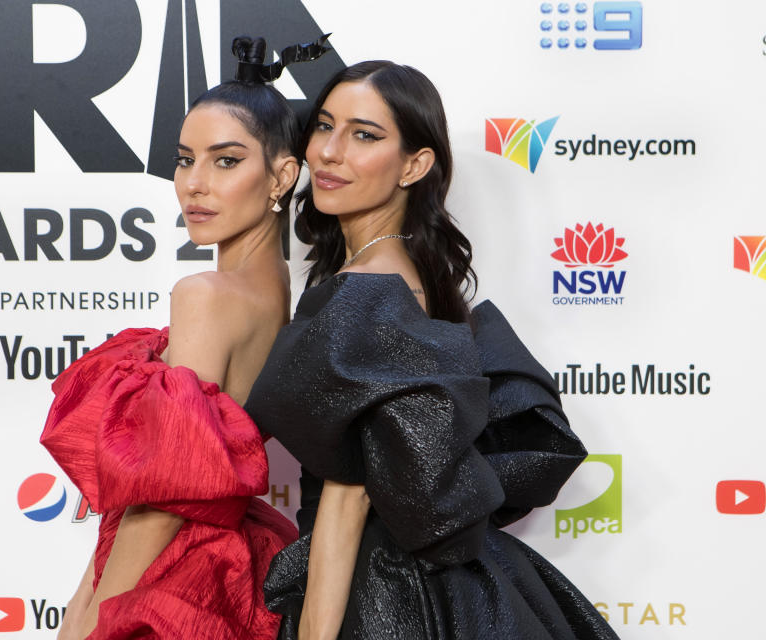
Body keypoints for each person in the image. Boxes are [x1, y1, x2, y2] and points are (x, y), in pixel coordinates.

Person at [245, 61, 620, 640]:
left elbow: (349, 498)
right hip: (421, 584)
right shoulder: (396, 274)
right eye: (324, 126)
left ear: (415, 165)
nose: (329, 152)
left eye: (365, 135)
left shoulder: (370, 289)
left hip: (379, 591)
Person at [40, 35, 330, 640]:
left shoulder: (205, 296)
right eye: (184, 158)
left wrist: (94, 621)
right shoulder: (279, 295)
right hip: (230, 568)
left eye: (225, 161)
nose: (194, 184)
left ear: (282, 175)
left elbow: (163, 497)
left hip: (170, 580)